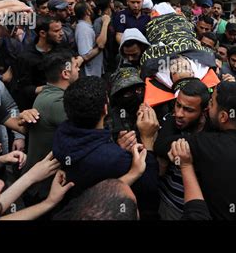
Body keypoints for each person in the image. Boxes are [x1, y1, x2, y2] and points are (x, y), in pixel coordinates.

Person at [154, 81, 236, 220]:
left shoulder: (209, 144)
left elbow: (161, 145)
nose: (208, 107)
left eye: (212, 103)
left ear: (223, 117)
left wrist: (174, 117)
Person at [52, 76, 159, 216]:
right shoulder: (114, 159)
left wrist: (114, 147)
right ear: (105, 107)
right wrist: (148, 138)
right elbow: (149, 187)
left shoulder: (61, 133)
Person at [23, 50, 80, 204]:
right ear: (66, 74)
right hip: (43, 190)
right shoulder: (57, 103)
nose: (79, 69)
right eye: (76, 66)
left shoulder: (49, 95)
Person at [155, 79, 210, 220]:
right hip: (167, 204)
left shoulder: (213, 131)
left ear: (204, 111)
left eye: (188, 110)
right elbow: (160, 146)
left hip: (198, 211)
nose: (179, 113)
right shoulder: (171, 121)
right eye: (178, 105)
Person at [15, 16, 65, 110]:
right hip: (41, 107)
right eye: (56, 31)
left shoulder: (61, 48)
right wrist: (49, 88)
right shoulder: (26, 57)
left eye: (61, 29)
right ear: (42, 33)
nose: (61, 33)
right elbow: (24, 89)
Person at [75, 2, 108, 77]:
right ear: (87, 11)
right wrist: (100, 47)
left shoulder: (87, 27)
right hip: (90, 74)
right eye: (91, 7)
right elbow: (85, 56)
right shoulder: (83, 29)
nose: (93, 9)